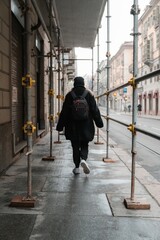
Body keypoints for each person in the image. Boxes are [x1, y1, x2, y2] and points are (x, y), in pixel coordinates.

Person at [56, 76, 104, 175]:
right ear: (83, 84)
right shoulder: (89, 95)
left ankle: (77, 167)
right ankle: (83, 159)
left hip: (72, 126)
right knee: (84, 144)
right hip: (86, 125)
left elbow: (64, 112)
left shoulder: (70, 95)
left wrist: (60, 126)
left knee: (75, 146)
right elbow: (95, 110)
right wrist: (99, 123)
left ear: (74, 83)